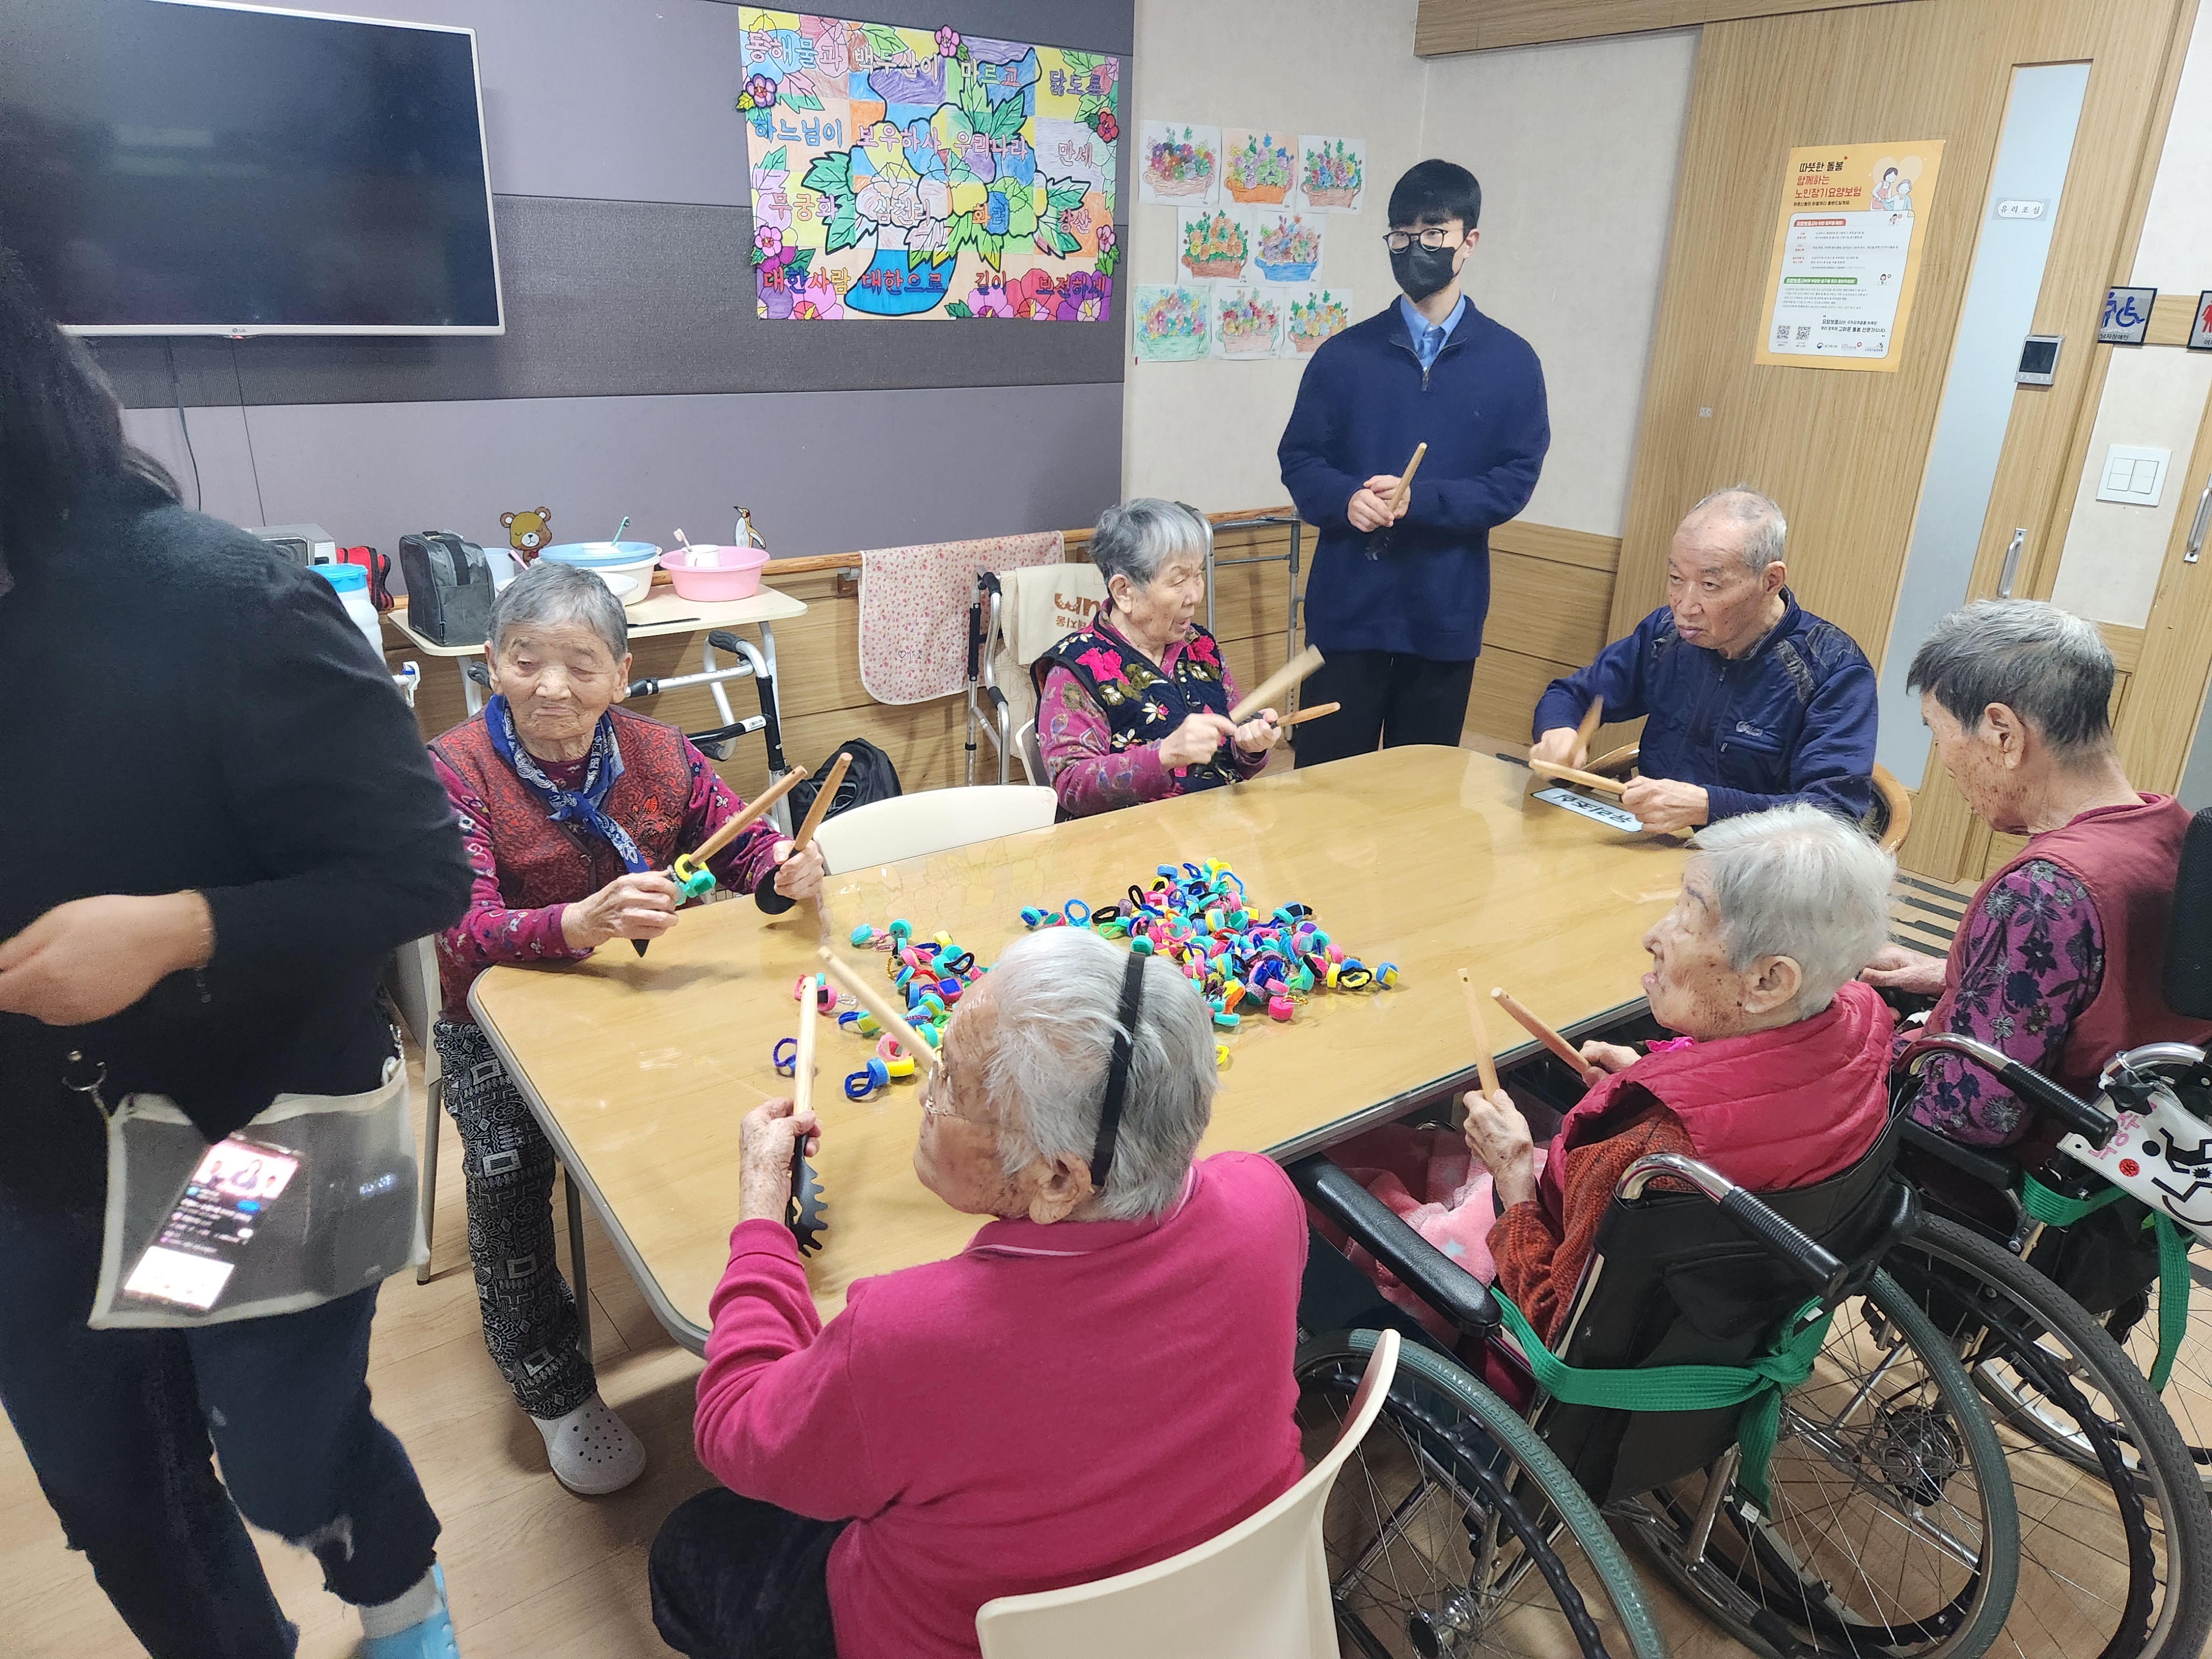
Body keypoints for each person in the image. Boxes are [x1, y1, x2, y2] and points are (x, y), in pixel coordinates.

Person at [0, 252, 473, 1657]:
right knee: (111, 1492)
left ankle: (402, 1604)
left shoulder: (219, 599)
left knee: (278, 1451)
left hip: (246, 1135)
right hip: (27, 1159)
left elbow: (420, 872)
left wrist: (175, 931)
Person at [649, 927, 1307, 1659]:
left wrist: (761, 1218)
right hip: (1230, 1611)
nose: (925, 1096)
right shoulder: (1266, 1197)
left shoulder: (904, 1337)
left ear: (1057, 1179)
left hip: (958, 1640)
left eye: (950, 1087)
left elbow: (735, 1426)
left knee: (690, 1541)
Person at [429, 560, 825, 1494]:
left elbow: (745, 848)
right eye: (526, 659)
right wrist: (575, 922)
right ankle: (551, 1382)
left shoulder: (660, 753)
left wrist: (785, 870)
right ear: (492, 662)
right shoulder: (451, 769)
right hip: (495, 1013)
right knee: (506, 1170)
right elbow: (458, 928)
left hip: (645, 994)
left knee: (770, 1090)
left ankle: (763, 1292)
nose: (552, 687)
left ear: (620, 673)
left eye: (581, 665)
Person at [1373, 805, 1893, 1343]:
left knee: (1355, 1166)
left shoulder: (1652, 1151)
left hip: (1552, 1325)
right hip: (1722, 1298)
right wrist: (1658, 1072)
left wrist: (1512, 1177)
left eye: (1688, 918)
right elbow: (1760, 1101)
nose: (1652, 936)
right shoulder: (1861, 1024)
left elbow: (1555, 1322)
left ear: (1769, 982)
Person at [1864, 600, 2212, 1150]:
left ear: (2003, 733)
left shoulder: (2042, 892)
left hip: (2022, 1169)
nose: (1943, 760)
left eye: (1938, 732)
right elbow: (2111, 985)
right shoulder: (2176, 828)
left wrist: (1862, 1048)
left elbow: (1973, 1117)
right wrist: (1965, 976)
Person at [1277, 158, 1550, 767]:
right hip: (1348, 610)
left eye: (1432, 233)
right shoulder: (1342, 356)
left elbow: (1514, 479)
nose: (1413, 249)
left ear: (1468, 241)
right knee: (1323, 789)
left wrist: (1419, 501)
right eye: (1400, 235)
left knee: (1420, 791)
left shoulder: (1511, 362)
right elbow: (1299, 457)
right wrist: (1345, 499)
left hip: (1443, 612)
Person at [1531, 488, 1877, 834]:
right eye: (1676, 579)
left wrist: (1708, 807)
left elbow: (1833, 814)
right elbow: (1572, 694)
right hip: (1652, 842)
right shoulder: (1666, 635)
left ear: (1770, 581)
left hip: (1752, 860)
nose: (1685, 606)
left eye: (1710, 585)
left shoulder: (1833, 670)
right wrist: (1558, 732)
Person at [1034, 498, 1284, 817]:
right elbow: (1072, 787)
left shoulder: (1200, 646)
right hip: (1132, 836)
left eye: (1198, 575)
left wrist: (1250, 745)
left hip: (1214, 825)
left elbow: (1233, 746)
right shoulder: (1076, 668)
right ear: (1124, 591)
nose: (1195, 596)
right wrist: (1164, 755)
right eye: (1179, 580)